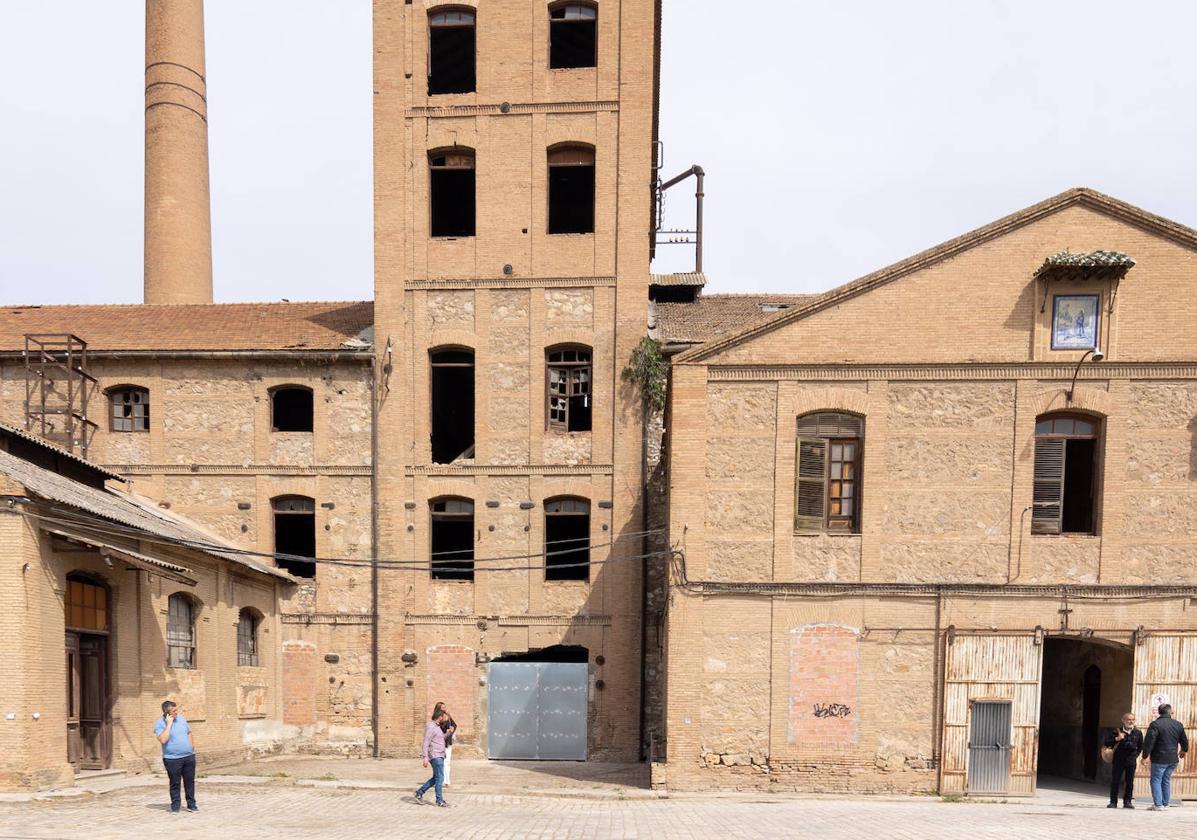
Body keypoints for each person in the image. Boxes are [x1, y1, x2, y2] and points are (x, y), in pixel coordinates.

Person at [1142, 702, 1189, 810]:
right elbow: (1184, 740)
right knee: (1166, 780)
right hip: (1173, 759)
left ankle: (1158, 805)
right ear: (1170, 712)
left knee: (1156, 780)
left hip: (1159, 758)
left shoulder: (1155, 724)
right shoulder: (1178, 724)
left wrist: (1145, 755)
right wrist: (1184, 750)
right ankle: (1165, 804)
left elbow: (1149, 741)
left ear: (1159, 712)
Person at [154, 700, 197, 814]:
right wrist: (169, 724)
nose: (176, 712)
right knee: (175, 783)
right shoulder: (159, 724)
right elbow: (163, 739)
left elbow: (189, 732)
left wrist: (192, 746)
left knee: (190, 782)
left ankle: (191, 805)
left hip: (188, 757)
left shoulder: (182, 719)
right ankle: (175, 806)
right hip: (172, 759)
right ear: (167, 713)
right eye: (174, 711)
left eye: (176, 710)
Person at [1104, 712, 1142, 808]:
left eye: (1132, 720)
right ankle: (1113, 802)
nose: (1130, 721)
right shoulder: (1116, 731)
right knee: (1115, 780)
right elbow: (1106, 742)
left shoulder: (1138, 733)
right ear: (1123, 721)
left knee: (1129, 782)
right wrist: (1117, 738)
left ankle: (1127, 802)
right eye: (1128, 719)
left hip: (1131, 761)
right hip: (1118, 760)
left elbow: (1140, 746)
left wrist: (1134, 756)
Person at [415, 708, 450, 807]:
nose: (444, 719)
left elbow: (439, 739)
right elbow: (426, 742)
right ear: (440, 717)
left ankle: (419, 793)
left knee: (436, 778)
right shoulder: (431, 727)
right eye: (443, 717)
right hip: (435, 756)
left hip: (440, 754)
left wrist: (448, 733)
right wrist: (425, 757)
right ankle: (439, 800)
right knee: (440, 778)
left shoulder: (437, 727)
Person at [433, 701, 457, 787]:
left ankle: (447, 781)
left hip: (448, 743)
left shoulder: (447, 718)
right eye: (443, 708)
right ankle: (441, 780)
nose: (445, 709)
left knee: (447, 762)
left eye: (445, 707)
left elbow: (455, 725)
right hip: (439, 743)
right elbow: (438, 730)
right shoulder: (437, 719)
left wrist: (450, 730)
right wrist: (446, 730)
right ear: (438, 709)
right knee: (440, 762)